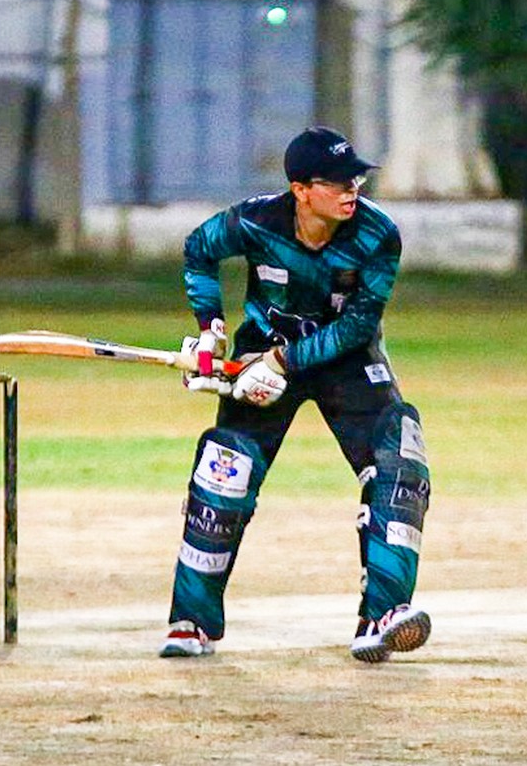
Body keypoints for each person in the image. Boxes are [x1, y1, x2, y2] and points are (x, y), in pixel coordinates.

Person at [161, 126, 432, 663]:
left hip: (345, 360)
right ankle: (191, 621)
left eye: (355, 180)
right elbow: (198, 250)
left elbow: (357, 325)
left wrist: (280, 361)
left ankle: (383, 615)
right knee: (225, 470)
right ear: (301, 190)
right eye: (337, 182)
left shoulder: (378, 234)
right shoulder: (257, 220)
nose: (352, 190)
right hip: (261, 350)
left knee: (400, 460)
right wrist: (211, 329)